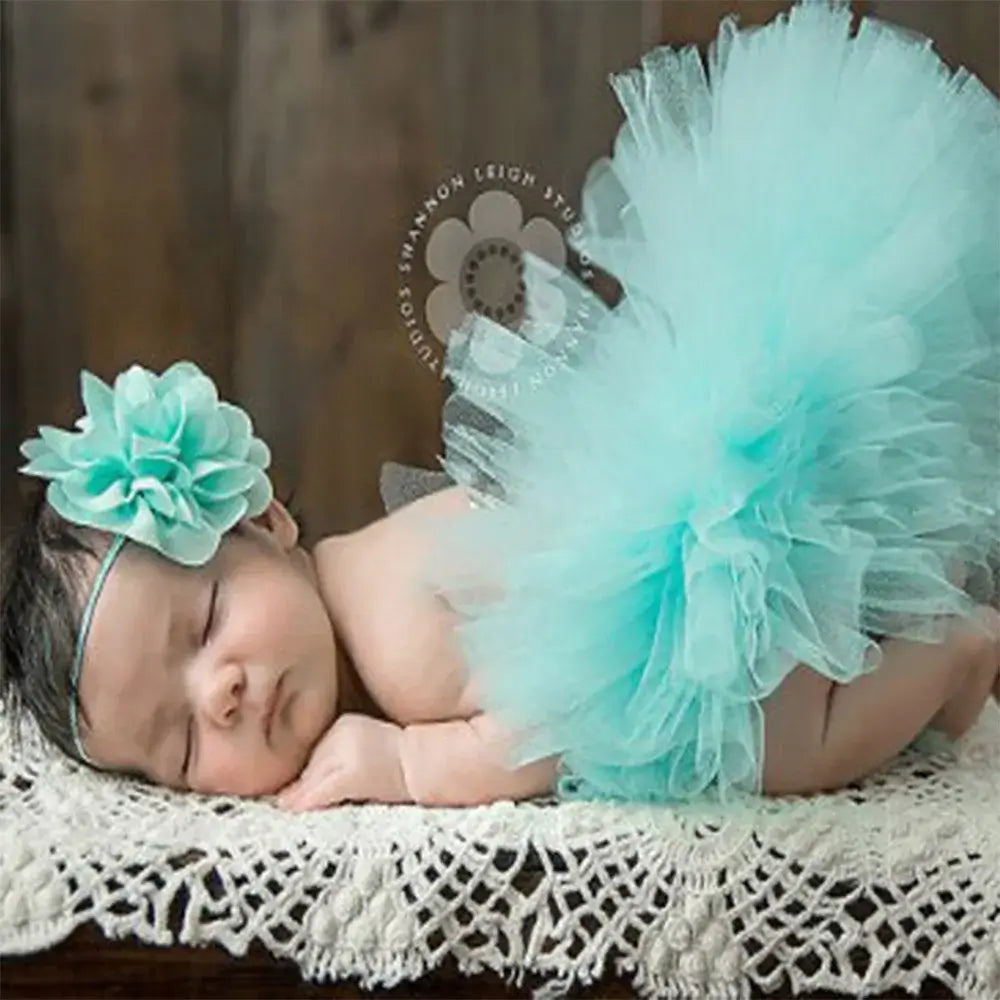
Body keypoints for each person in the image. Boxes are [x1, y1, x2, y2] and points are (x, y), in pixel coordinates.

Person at [2, 0, 999, 811]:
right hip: (665, 562)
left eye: (208, 620)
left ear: (267, 523)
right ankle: (911, 644)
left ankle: (951, 654)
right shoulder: (355, 606)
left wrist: (412, 766)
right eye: (181, 746)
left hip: (684, 584)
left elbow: (551, 718)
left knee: (787, 747)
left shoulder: (396, 637)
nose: (219, 693)